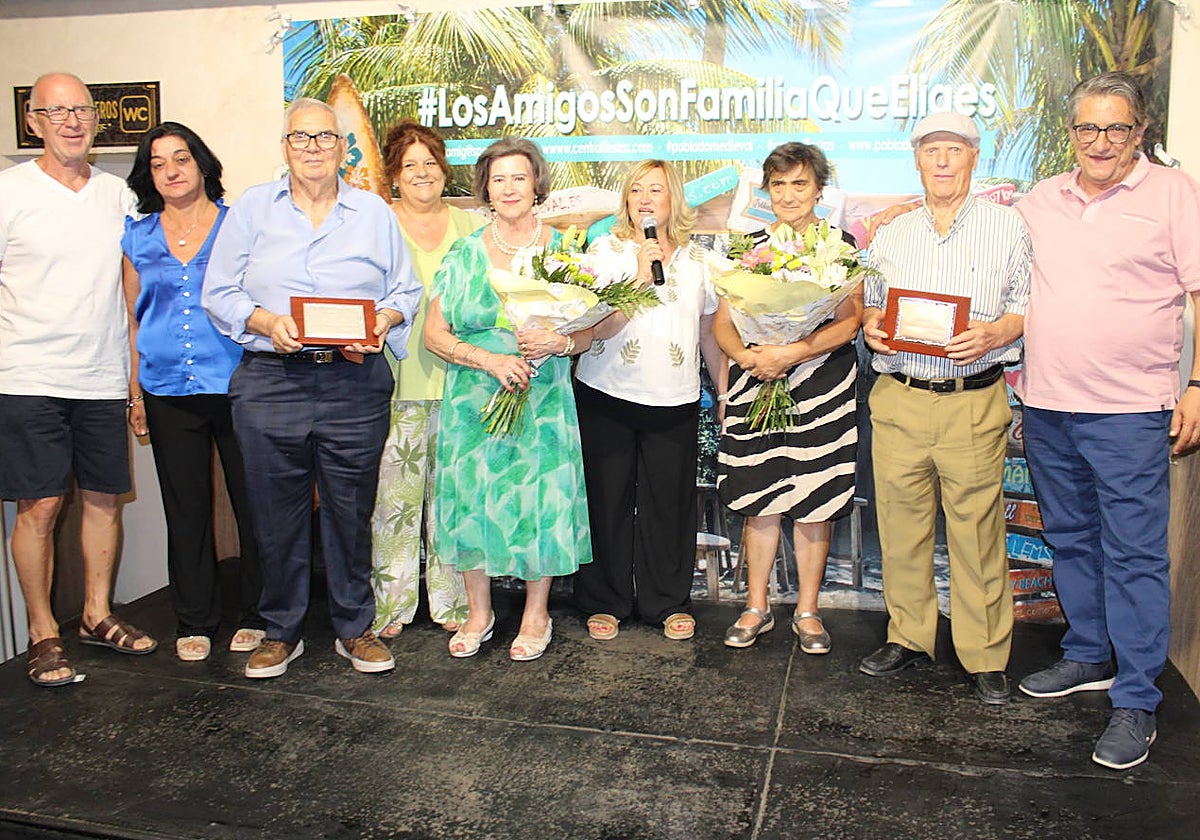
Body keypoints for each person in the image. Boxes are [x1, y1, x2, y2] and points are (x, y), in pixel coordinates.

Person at [1014, 72, 1200, 769]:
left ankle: (1137, 700)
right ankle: (1088, 654)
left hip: (1130, 411)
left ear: (1139, 131)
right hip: (1048, 404)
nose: (1100, 141)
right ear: (1071, 133)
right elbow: (980, 232)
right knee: (1070, 538)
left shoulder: (1174, 194)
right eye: (1087, 127)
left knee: (1134, 555)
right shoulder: (1042, 199)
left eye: (1115, 127)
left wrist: (1198, 384)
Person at [202, 98, 421, 679]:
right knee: (276, 513)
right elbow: (219, 291)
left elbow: (405, 291)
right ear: (285, 147)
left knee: (352, 510)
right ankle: (281, 631)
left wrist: (383, 321)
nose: (313, 147)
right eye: (300, 137)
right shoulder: (252, 209)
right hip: (271, 379)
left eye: (324, 136)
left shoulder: (373, 212)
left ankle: (355, 628)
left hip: (354, 378)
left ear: (342, 147)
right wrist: (265, 322)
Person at [859, 111, 1030, 705]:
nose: (942, 161)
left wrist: (997, 332)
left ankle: (985, 654)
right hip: (900, 397)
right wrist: (873, 326)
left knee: (977, 533)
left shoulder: (1008, 227)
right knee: (900, 528)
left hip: (972, 401)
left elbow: (1025, 306)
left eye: (954, 150)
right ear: (916, 159)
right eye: (931, 150)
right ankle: (909, 636)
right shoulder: (892, 232)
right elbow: (872, 304)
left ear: (974, 158)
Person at [0, 72, 154, 687]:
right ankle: (43, 633)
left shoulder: (118, 196)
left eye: (81, 111)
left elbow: (133, 294)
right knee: (39, 504)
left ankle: (95, 613)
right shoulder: (9, 191)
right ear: (33, 121)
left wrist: (134, 384)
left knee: (103, 498)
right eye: (56, 111)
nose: (71, 122)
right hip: (29, 375)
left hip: (101, 375)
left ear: (96, 119)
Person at [424, 137, 593, 662]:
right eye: (498, 179)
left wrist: (558, 343)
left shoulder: (566, 249)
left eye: (519, 177)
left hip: (542, 395)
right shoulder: (463, 252)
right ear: (486, 189)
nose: (509, 188)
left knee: (540, 499)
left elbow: (595, 329)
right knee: (471, 497)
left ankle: (536, 614)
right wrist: (488, 360)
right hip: (473, 396)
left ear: (537, 183)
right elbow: (434, 334)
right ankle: (479, 612)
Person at [121, 122, 263, 662]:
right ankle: (196, 618)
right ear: (148, 175)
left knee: (254, 503)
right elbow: (134, 321)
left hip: (235, 382)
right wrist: (135, 394)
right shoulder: (137, 236)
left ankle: (257, 613)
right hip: (166, 387)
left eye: (181, 159)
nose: (171, 171)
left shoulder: (236, 227)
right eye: (158, 164)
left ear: (202, 165)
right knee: (185, 508)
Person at [715, 142, 861, 652]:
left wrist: (793, 352)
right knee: (759, 497)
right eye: (779, 184)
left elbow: (849, 322)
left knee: (815, 497)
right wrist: (750, 357)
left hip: (822, 386)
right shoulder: (745, 248)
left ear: (819, 190)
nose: (789, 194)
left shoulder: (840, 246)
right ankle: (756, 607)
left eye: (800, 183)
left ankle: (808, 610)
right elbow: (723, 323)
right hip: (756, 380)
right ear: (766, 191)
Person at [573, 159, 726, 643]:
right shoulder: (604, 251)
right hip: (606, 392)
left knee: (669, 505)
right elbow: (589, 323)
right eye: (636, 189)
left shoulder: (699, 260)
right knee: (606, 501)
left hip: (674, 398)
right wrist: (639, 273)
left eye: (655, 190)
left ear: (673, 199)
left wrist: (723, 390)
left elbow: (708, 332)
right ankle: (604, 600)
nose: (644, 198)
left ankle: (667, 602)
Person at [370, 120, 479, 640]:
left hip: (462, 383)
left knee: (452, 498)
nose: (421, 173)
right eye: (409, 165)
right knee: (395, 501)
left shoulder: (470, 226)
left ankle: (452, 601)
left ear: (444, 170)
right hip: (395, 382)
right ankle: (391, 605)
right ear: (393, 174)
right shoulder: (376, 223)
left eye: (430, 163)